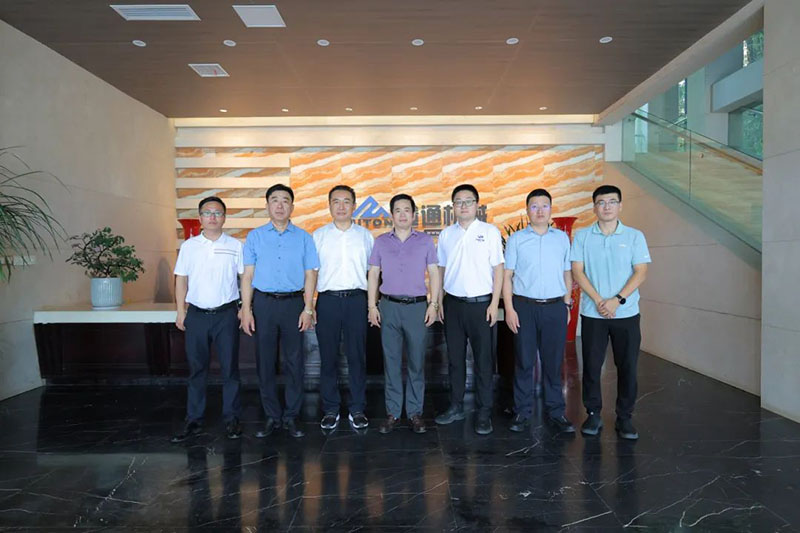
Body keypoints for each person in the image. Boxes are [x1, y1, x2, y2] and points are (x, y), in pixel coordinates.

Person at [571, 184, 650, 440]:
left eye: (612, 201)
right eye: (601, 202)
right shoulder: (583, 236)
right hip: (593, 313)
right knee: (592, 366)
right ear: (594, 207)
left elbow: (641, 272)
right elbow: (577, 271)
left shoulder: (634, 236)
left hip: (626, 313)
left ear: (620, 206)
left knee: (627, 366)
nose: (607, 206)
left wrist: (617, 300)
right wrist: (599, 301)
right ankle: (593, 413)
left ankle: (624, 417)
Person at [240, 184, 319, 439]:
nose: (280, 205)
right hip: (263, 304)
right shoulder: (255, 237)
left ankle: (291, 416)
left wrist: (308, 308)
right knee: (265, 361)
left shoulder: (304, 238)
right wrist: (246, 309)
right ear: (267, 206)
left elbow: (310, 275)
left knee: (295, 362)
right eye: (274, 200)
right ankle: (272, 415)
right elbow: (247, 276)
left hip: (294, 303)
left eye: (285, 200)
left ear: (292, 206)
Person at [171, 196, 244, 442]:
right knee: (197, 369)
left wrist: (244, 308)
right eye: (207, 212)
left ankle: (232, 419)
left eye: (217, 213)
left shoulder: (235, 246)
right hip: (197, 315)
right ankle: (194, 420)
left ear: (224, 217)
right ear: (200, 217)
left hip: (226, 315)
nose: (213, 217)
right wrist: (180, 311)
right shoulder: (189, 246)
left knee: (230, 370)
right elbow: (181, 279)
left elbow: (245, 279)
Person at [503, 188, 574, 434]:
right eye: (534, 206)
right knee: (524, 361)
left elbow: (567, 272)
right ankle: (522, 411)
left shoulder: (561, 239)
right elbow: (507, 276)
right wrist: (509, 308)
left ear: (551, 209)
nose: (540, 210)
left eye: (545, 206)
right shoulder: (517, 239)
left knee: (553, 362)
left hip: (555, 307)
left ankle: (556, 411)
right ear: (527, 210)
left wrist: (567, 304)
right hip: (524, 307)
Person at [367, 194, 440, 434]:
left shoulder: (425, 241)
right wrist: (372, 306)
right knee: (391, 362)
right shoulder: (381, 242)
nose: (402, 214)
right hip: (389, 306)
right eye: (397, 210)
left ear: (414, 214)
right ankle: (393, 413)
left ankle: (415, 412)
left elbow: (434, 273)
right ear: (391, 215)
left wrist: (434, 304)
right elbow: (373, 275)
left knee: (417, 362)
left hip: (417, 307)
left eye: (406, 210)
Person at [435, 184, 504, 435]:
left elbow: (498, 269)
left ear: (477, 205)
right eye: (458, 202)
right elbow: (441, 269)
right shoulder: (446, 234)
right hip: (453, 304)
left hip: (482, 306)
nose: (463, 206)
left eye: (468, 201)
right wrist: (438, 301)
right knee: (455, 360)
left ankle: (484, 412)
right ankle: (456, 406)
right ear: (453, 206)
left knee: (484, 361)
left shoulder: (489, 232)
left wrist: (494, 303)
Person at [313, 185, 374, 431]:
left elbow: (372, 274)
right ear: (329, 205)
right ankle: (330, 409)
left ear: (354, 206)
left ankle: (357, 408)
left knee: (356, 356)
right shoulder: (318, 236)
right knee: (327, 357)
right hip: (327, 300)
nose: (341, 206)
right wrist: (309, 306)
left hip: (357, 300)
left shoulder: (365, 236)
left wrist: (372, 304)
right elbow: (311, 273)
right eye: (336, 201)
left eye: (346, 201)